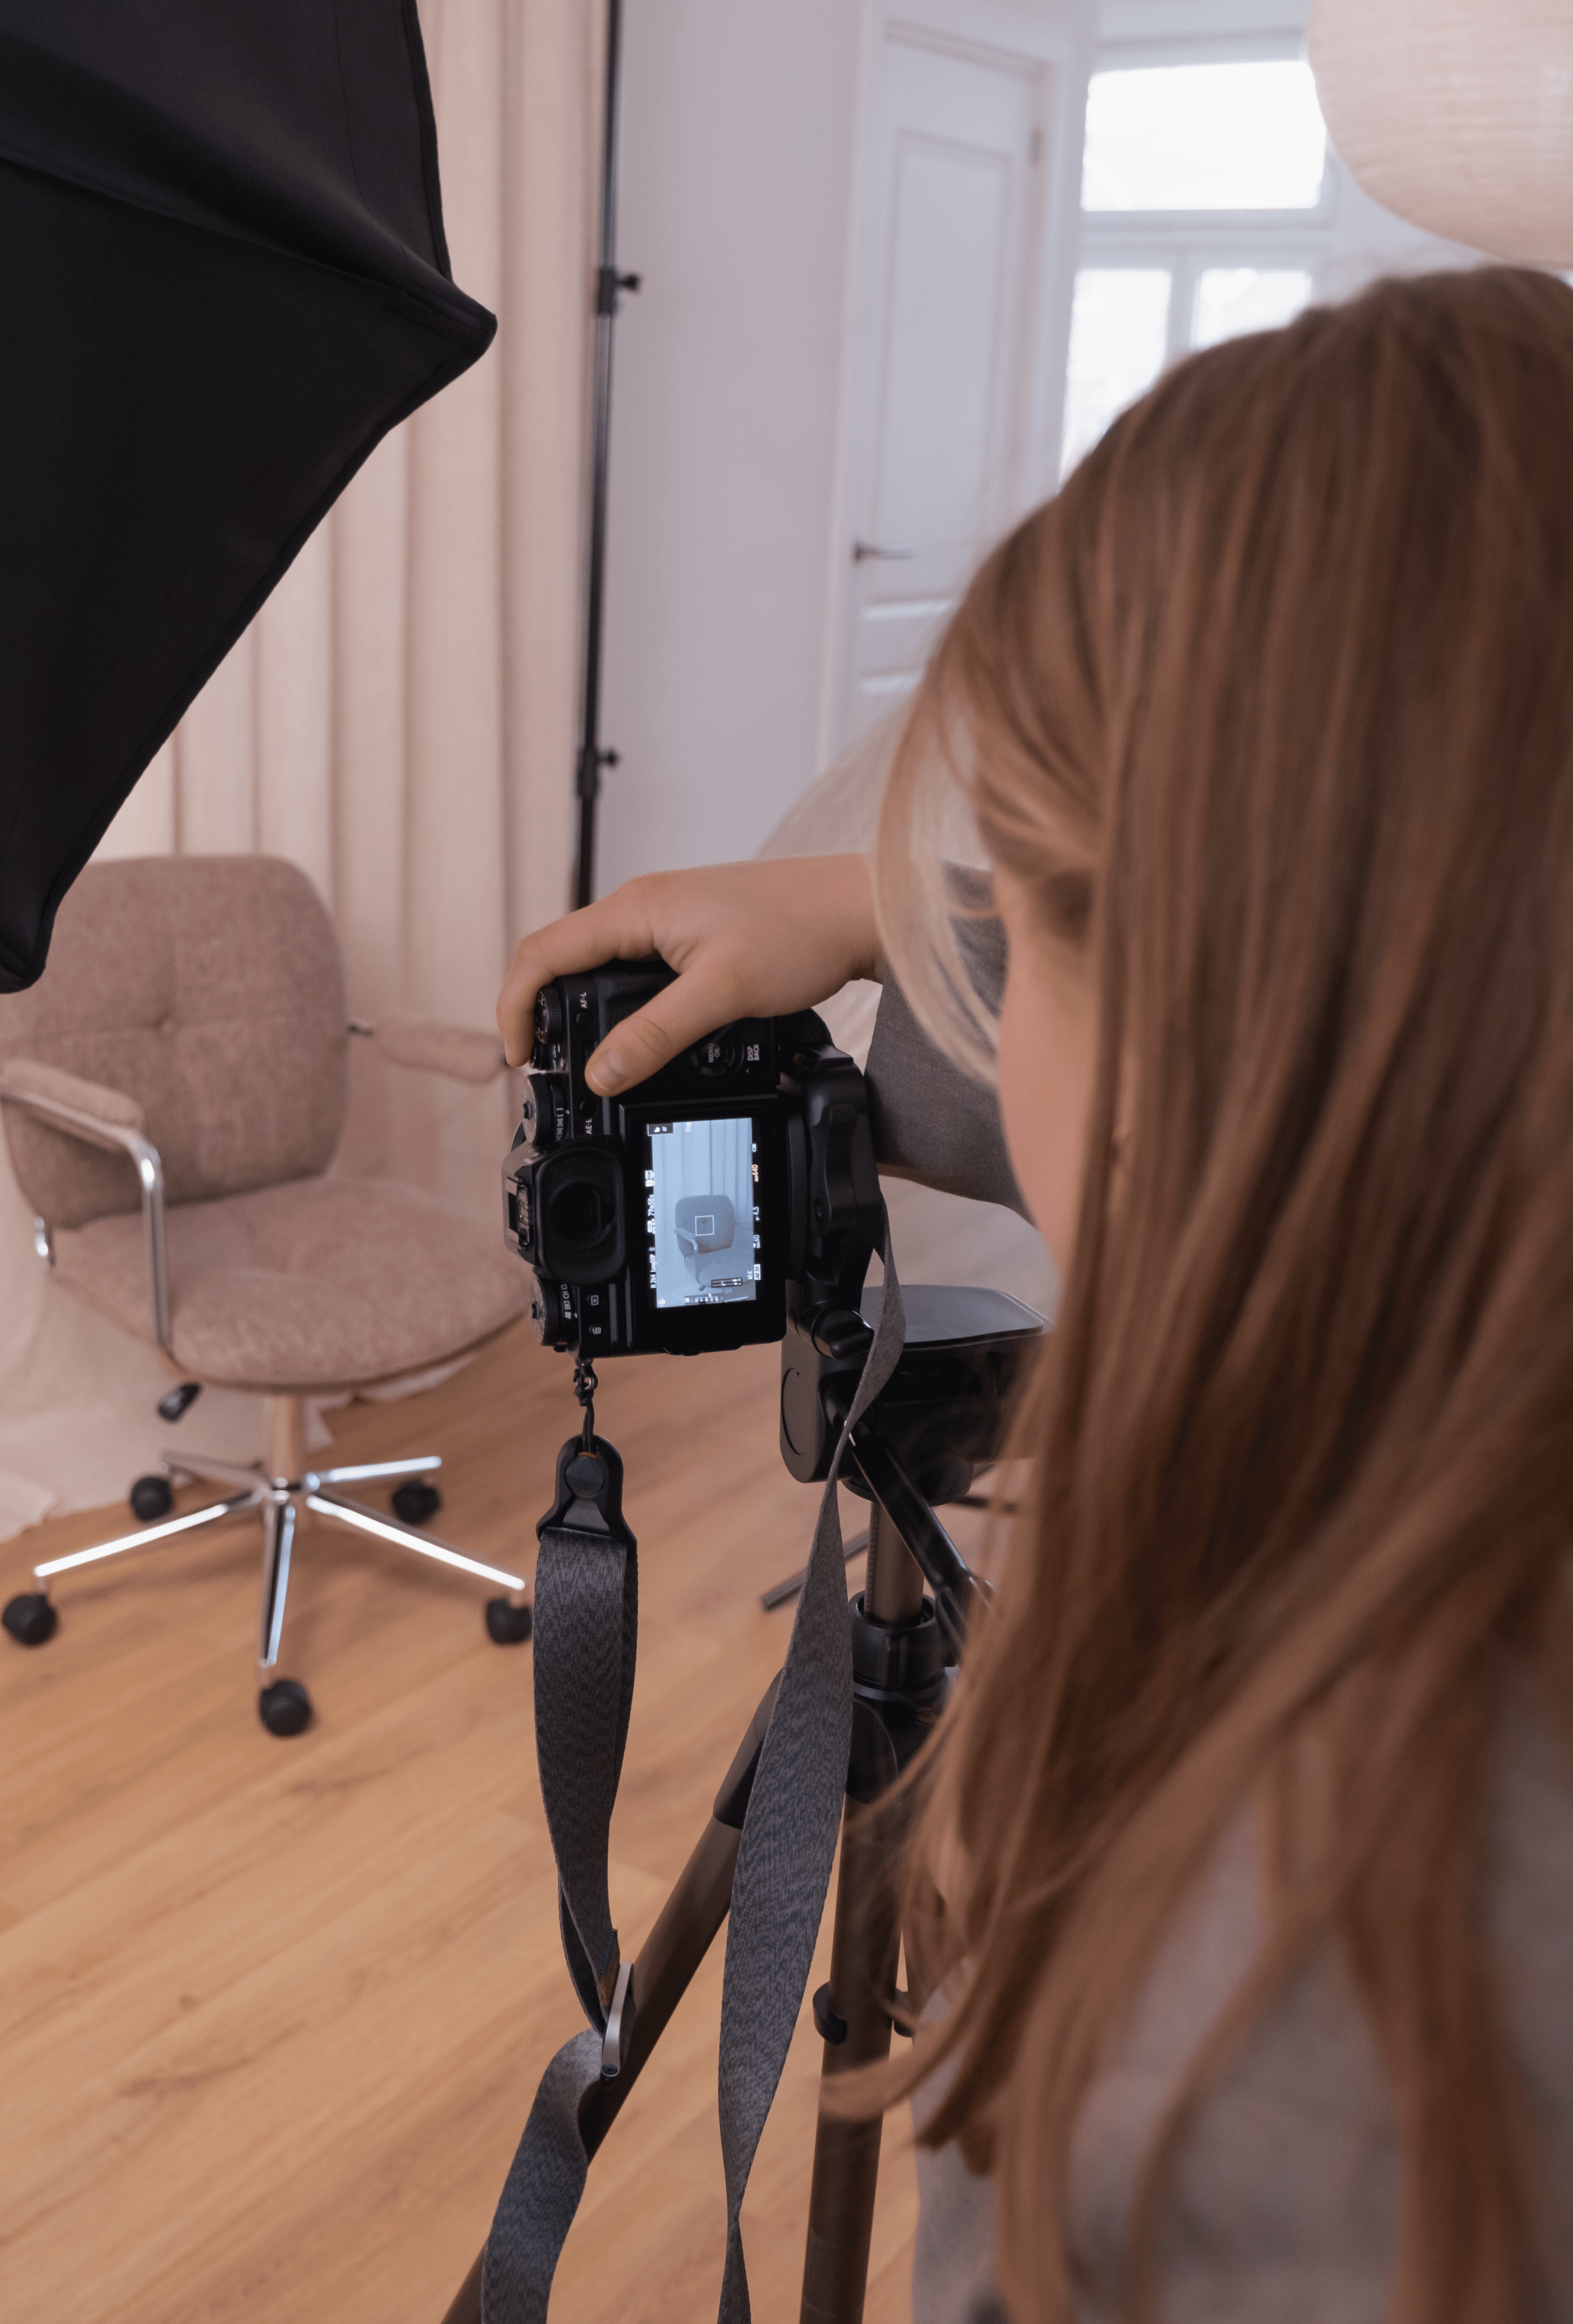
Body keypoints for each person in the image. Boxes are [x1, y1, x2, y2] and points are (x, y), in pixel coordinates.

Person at [496, 267, 1573, 2322]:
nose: (969, 975)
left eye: (1021, 913)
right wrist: (871, 908)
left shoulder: (1299, 1992)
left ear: (1185, 1013)